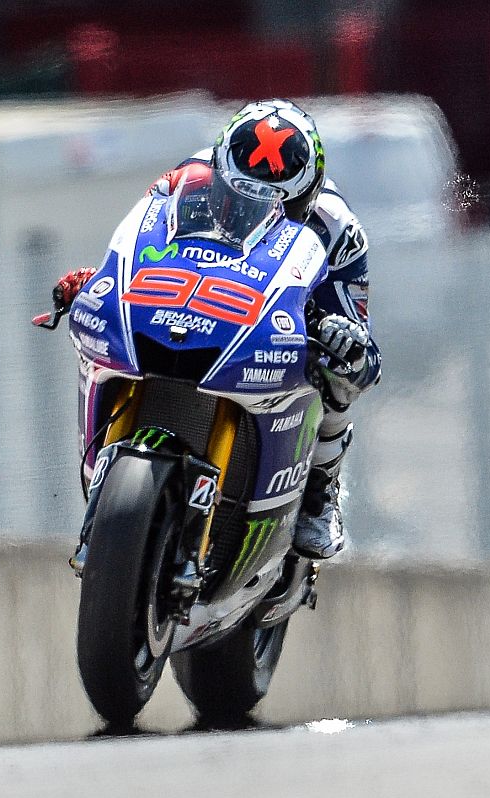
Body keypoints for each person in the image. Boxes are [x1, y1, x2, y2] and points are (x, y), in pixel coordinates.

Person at [52, 99, 380, 558]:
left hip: (284, 316)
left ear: (305, 196)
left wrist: (349, 342)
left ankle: (320, 492)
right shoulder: (184, 181)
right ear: (221, 172)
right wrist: (98, 281)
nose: (249, 209)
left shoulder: (339, 228)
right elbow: (139, 246)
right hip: (202, 305)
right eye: (239, 195)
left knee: (341, 376)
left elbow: (362, 342)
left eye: (275, 202)